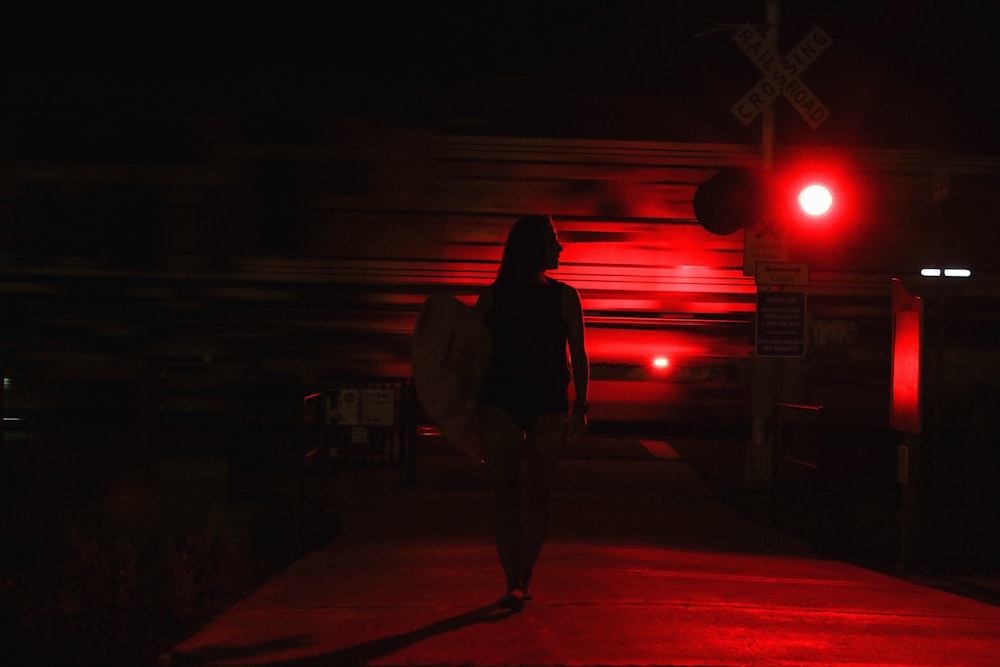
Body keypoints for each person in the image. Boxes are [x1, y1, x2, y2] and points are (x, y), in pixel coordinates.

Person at [475, 214, 589, 611]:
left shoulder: (559, 296)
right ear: (532, 248)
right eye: (552, 241)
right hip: (512, 402)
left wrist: (582, 402)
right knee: (513, 492)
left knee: (530, 494)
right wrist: (581, 403)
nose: (559, 249)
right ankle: (515, 579)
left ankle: (520, 577)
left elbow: (579, 353)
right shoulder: (497, 298)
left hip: (531, 403)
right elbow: (474, 353)